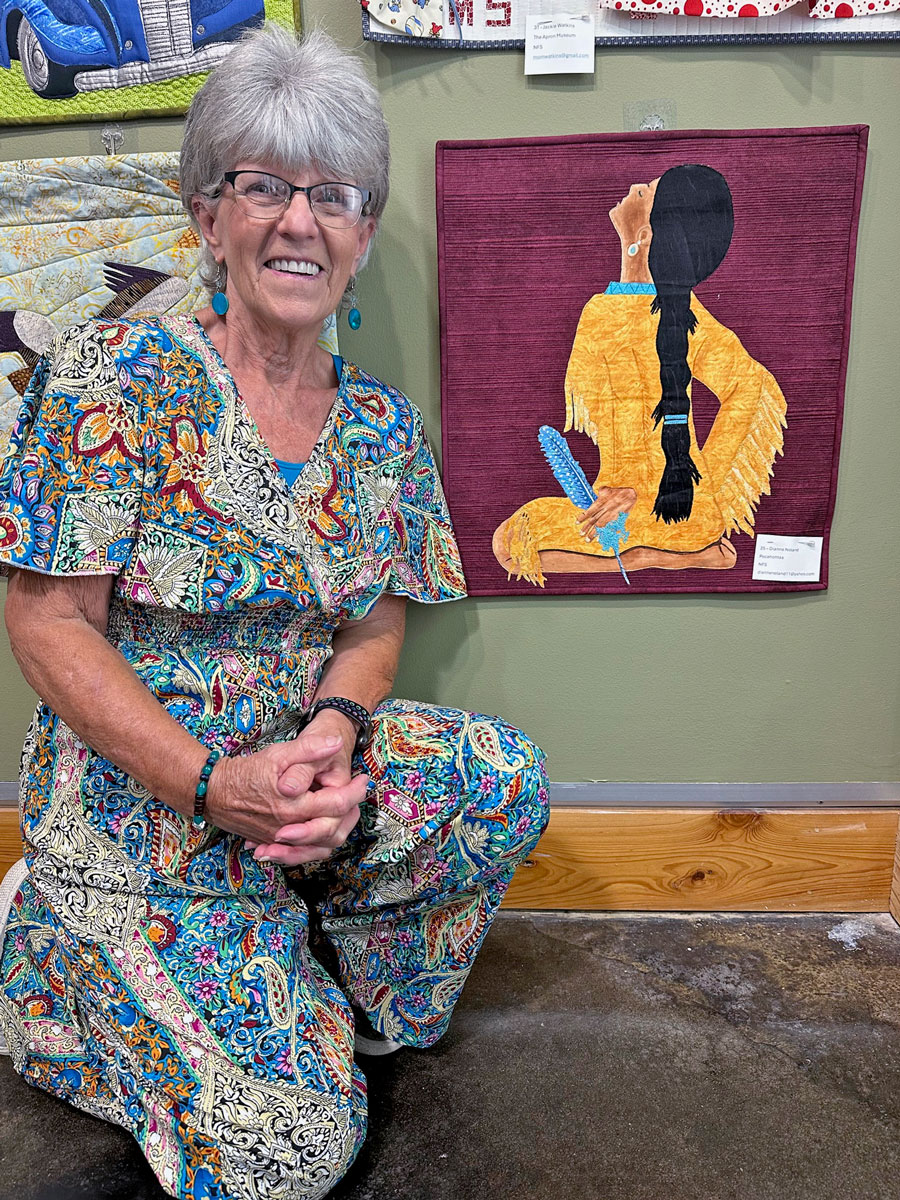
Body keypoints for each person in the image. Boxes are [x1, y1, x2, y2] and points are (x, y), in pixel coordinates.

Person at [0, 25, 549, 1200]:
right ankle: (54, 960)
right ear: (209, 216)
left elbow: (376, 623)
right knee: (284, 1152)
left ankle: (301, 991)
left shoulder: (383, 429)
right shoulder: (114, 383)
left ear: (361, 233)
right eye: (264, 186)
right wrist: (211, 785)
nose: (300, 221)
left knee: (498, 780)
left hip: (301, 788)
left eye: (335, 196)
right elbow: (49, 624)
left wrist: (334, 735)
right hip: (146, 812)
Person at [493, 164, 787, 586]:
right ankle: (679, 553)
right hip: (644, 514)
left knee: (512, 540)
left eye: (646, 191)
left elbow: (751, 388)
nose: (634, 187)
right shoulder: (627, 312)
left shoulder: (650, 315)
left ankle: (657, 554)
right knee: (518, 536)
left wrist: (692, 489)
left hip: (661, 513)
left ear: (647, 234)